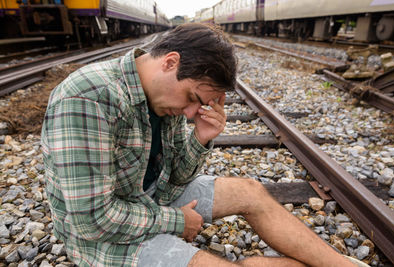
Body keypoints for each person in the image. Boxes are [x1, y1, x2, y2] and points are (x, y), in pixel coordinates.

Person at [41, 23, 356, 267]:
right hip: (102, 238)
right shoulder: (88, 98)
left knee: (252, 192)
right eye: (193, 99)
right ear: (170, 62)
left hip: (152, 199)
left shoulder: (166, 97)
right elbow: (92, 220)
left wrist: (201, 137)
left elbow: (176, 178)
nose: (191, 112)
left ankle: (341, 263)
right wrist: (178, 221)